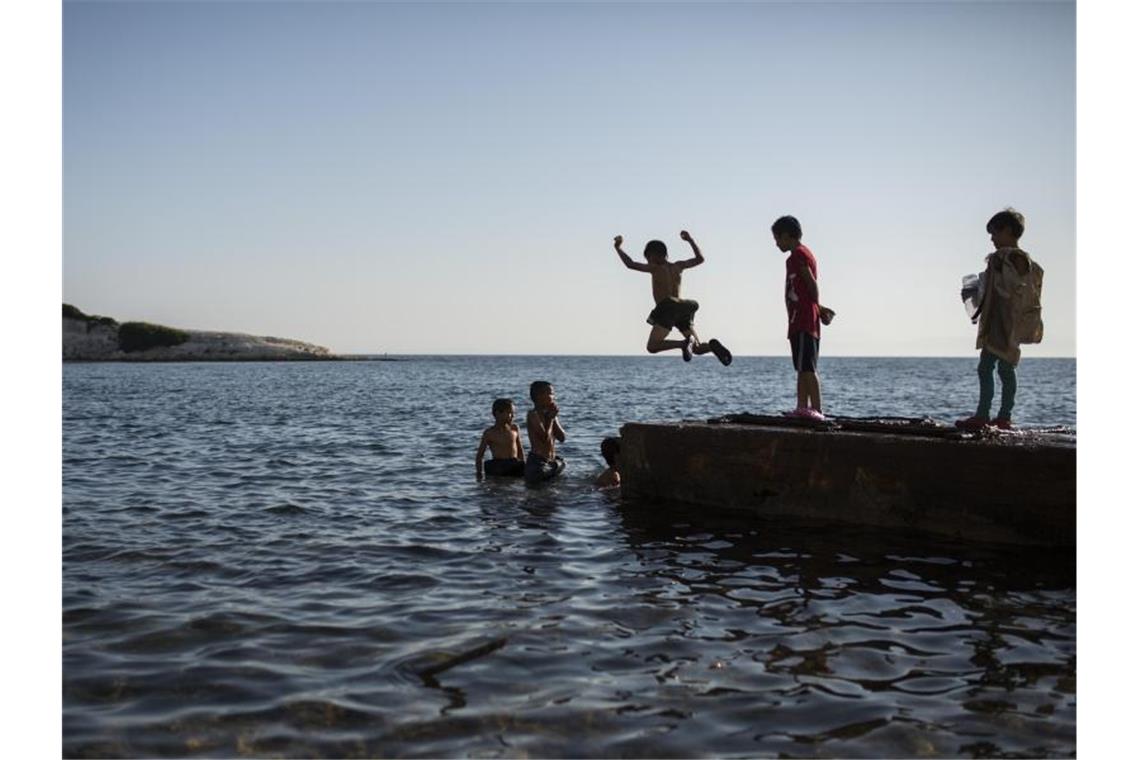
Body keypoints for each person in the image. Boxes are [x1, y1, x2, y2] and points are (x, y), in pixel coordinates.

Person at [955, 208, 1044, 431]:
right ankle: (998, 416)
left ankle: (992, 415)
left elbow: (1016, 286)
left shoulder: (1014, 257)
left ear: (1008, 231)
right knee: (999, 368)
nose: (992, 239)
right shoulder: (1006, 258)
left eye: (995, 233)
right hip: (1000, 321)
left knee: (993, 368)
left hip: (1005, 323)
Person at [613, 231, 733, 365]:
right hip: (685, 307)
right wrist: (690, 240)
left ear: (653, 255)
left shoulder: (655, 268)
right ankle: (712, 346)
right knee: (697, 349)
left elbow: (630, 264)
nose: (647, 261)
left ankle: (683, 344)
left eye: (648, 258)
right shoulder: (678, 266)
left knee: (652, 346)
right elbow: (700, 259)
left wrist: (618, 247)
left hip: (668, 307)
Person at [771, 215, 835, 420]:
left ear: (788, 235)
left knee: (808, 368)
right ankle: (802, 407)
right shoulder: (798, 256)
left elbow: (812, 284)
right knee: (801, 368)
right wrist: (819, 307)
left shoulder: (798, 255)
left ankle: (817, 410)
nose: (776, 243)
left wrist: (816, 307)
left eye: (777, 238)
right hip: (798, 320)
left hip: (804, 320)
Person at [525, 381, 567, 485]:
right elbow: (544, 438)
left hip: (551, 460)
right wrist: (550, 419)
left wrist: (553, 418)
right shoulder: (533, 415)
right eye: (550, 393)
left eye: (553, 394)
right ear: (538, 396)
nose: (553, 397)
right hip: (538, 462)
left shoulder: (551, 415)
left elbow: (562, 438)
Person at [475, 398, 525, 480]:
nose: (513, 416)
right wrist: (479, 473)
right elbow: (480, 455)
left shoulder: (514, 428)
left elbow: (520, 449)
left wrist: (524, 466)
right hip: (498, 465)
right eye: (509, 413)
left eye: (513, 413)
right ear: (498, 413)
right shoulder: (489, 433)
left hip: (514, 463)